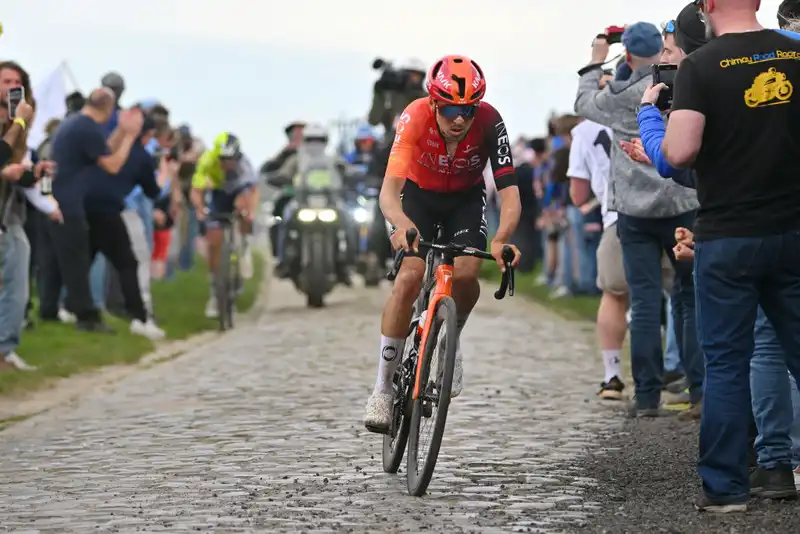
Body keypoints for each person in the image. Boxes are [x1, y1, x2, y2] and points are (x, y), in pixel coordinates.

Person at [660, 0, 800, 512]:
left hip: (728, 234)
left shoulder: (701, 65)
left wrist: (666, 115)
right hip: (792, 229)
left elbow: (679, 152)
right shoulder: (793, 54)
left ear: (708, 6)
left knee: (725, 364)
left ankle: (725, 491)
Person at [363, 55, 522, 433]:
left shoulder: (489, 121)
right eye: (451, 109)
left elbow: (511, 195)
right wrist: (401, 225)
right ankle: (382, 389)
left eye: (468, 110)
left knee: (468, 273)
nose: (460, 119)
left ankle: (449, 339)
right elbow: (389, 193)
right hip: (417, 197)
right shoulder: (414, 116)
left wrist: (501, 240)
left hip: (464, 201)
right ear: (434, 102)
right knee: (410, 276)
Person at [574, 22, 703, 418]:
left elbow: (583, 102)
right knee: (688, 298)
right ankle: (698, 389)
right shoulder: (684, 83)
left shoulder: (620, 94)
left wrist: (596, 62)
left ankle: (647, 395)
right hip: (682, 201)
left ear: (626, 53)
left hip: (633, 208)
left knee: (644, 301)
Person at [39, 89, 142, 332]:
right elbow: (113, 165)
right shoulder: (86, 128)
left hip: (53, 200)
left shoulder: (76, 124)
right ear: (109, 108)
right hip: (69, 204)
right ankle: (86, 317)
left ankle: (48, 309)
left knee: (53, 261)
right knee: (76, 261)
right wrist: (130, 137)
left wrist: (120, 132)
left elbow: (103, 148)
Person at [82, 114, 165, 340]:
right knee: (128, 264)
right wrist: (165, 174)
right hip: (108, 210)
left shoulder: (109, 145)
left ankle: (68, 306)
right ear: (147, 136)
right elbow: (153, 192)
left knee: (83, 260)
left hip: (83, 205)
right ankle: (140, 318)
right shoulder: (142, 157)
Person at [567, 116, 629, 399]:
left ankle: (612, 374)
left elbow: (578, 195)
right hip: (673, 211)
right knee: (680, 298)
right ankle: (680, 373)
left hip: (618, 216)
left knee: (615, 295)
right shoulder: (663, 102)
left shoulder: (585, 129)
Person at [191, 132, 258, 319]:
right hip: (218, 195)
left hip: (237, 191)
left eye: (232, 159)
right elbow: (196, 191)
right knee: (214, 241)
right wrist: (199, 208)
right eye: (224, 159)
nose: (228, 163)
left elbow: (252, 191)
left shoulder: (244, 165)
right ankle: (215, 292)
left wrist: (249, 214)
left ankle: (243, 246)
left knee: (243, 208)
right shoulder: (207, 160)